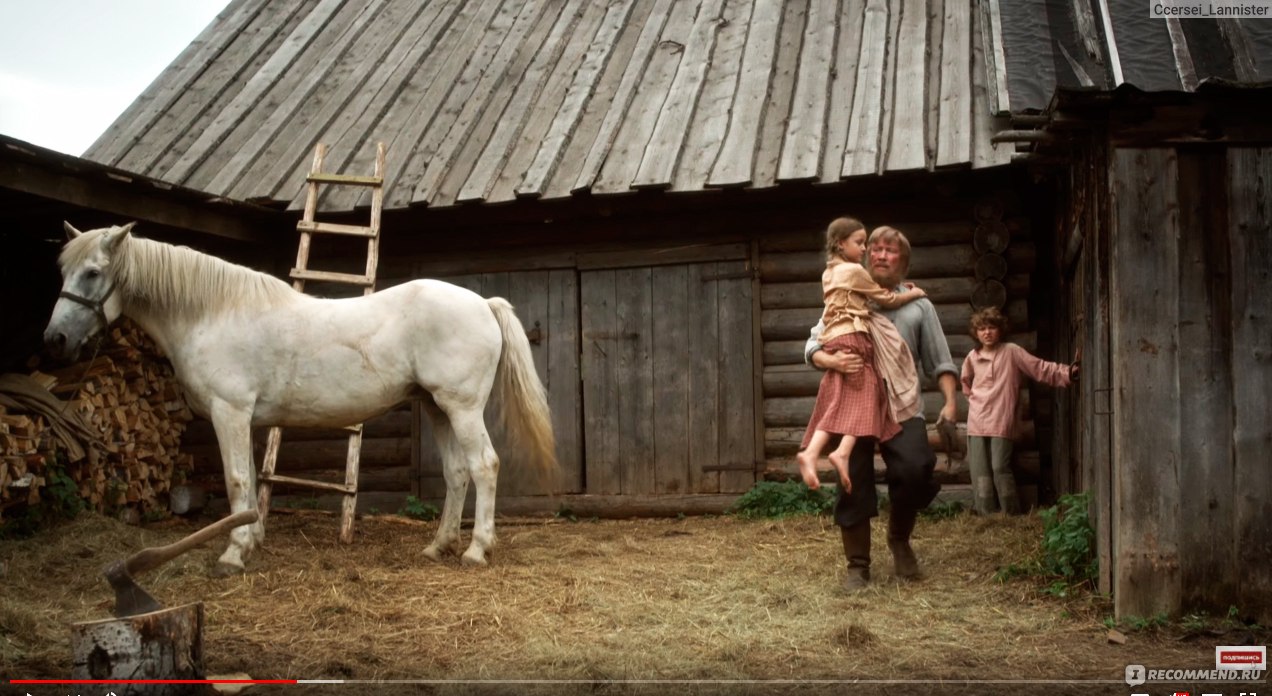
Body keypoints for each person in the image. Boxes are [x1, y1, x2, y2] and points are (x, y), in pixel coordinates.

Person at [804, 225, 958, 591]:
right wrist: (831, 361)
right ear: (866, 254)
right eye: (875, 249)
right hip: (854, 399)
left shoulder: (919, 305)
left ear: (902, 260)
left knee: (916, 468)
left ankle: (899, 538)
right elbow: (812, 345)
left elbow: (941, 360)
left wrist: (951, 404)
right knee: (852, 479)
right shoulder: (849, 293)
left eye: (890, 251)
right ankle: (857, 566)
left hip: (901, 403)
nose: (881, 255)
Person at [797, 218, 926, 493]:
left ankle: (816, 452)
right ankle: (839, 453)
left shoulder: (830, 273)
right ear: (841, 244)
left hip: (838, 338)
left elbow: (858, 300)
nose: (866, 250)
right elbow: (886, 299)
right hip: (852, 338)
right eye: (861, 243)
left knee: (842, 402)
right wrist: (913, 293)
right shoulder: (854, 272)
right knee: (868, 392)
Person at [961, 307, 1078, 515]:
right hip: (977, 419)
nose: (987, 332)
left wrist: (1067, 373)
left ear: (1000, 330)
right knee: (980, 471)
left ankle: (1010, 515)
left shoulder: (1011, 352)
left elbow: (1039, 368)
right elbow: (966, 383)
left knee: (999, 467)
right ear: (976, 332)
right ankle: (986, 515)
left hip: (1001, 419)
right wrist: (976, 400)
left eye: (992, 327)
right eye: (982, 328)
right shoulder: (972, 356)